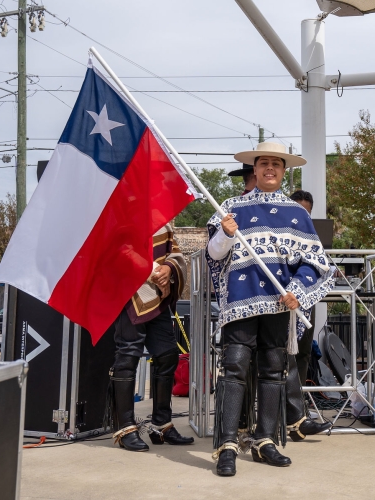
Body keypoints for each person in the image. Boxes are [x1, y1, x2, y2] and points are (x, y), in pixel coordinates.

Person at [206, 142, 334, 476]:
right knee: (233, 369)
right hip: (241, 303)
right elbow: (214, 254)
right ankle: (227, 446)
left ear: (284, 170)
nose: (270, 169)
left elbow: (316, 263)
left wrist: (297, 291)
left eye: (276, 164)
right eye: (264, 163)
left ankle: (266, 441)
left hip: (280, 304)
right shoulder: (231, 208)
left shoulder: (297, 214)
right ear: (255, 168)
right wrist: (225, 233)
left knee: (274, 370)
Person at [105, 224, 194, 452]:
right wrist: (151, 269)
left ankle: (160, 425)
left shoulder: (161, 216)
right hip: (129, 293)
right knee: (128, 356)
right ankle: (125, 428)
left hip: (157, 296)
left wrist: (168, 270)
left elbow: (173, 251)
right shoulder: (121, 210)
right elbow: (115, 247)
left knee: (167, 355)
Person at [289, 190, 315, 386]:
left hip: (304, 301)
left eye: (306, 212)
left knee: (303, 351)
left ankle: (297, 406)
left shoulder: (312, 237)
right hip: (282, 300)